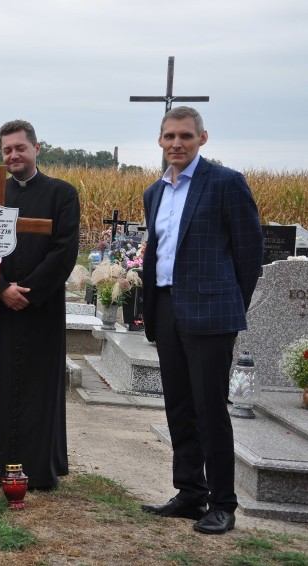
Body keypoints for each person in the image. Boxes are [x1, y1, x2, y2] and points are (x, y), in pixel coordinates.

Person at [139, 106, 263, 534]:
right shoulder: (155, 192)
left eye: (186, 136)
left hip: (211, 314)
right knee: (178, 406)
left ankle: (223, 503)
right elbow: (156, 253)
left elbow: (250, 253)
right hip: (167, 307)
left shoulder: (225, 183)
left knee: (210, 409)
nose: (177, 143)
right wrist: (152, 310)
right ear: (160, 140)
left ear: (202, 139)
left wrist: (230, 304)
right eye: (170, 136)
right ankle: (190, 492)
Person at [0, 120, 80, 490]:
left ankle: (37, 469)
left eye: (20, 148)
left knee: (38, 384)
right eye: (7, 150)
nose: (13, 155)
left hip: (41, 308)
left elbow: (65, 250)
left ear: (36, 148)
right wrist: (3, 288)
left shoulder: (62, 194)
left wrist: (29, 291)